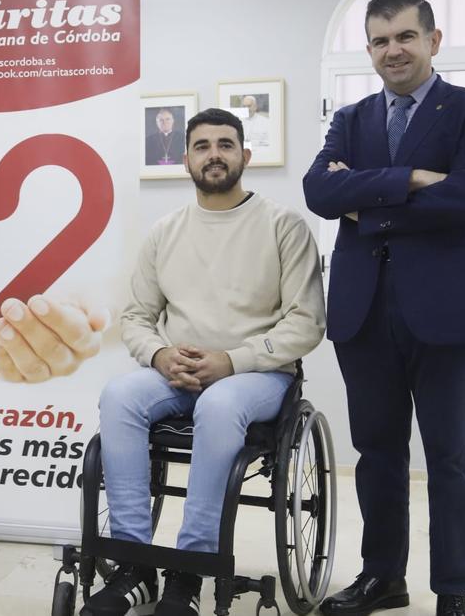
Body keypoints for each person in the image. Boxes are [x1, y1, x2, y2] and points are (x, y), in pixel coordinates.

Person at [303, 0, 465, 616]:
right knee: (377, 453)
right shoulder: (351, 118)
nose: (392, 50)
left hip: (447, 310)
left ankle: (453, 592)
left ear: (433, 41)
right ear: (368, 48)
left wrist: (364, 199)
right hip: (364, 312)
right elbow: (318, 191)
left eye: (405, 37)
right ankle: (382, 578)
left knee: (451, 456)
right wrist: (413, 178)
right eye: (379, 40)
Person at [85, 108, 325, 616]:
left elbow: (306, 324)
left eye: (224, 144)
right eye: (201, 146)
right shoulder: (165, 232)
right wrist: (159, 353)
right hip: (177, 370)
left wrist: (231, 361)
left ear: (245, 156)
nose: (213, 154)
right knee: (119, 396)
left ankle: (191, 567)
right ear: (186, 160)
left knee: (218, 406)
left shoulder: (284, 226)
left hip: (257, 375)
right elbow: (135, 316)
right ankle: (135, 564)